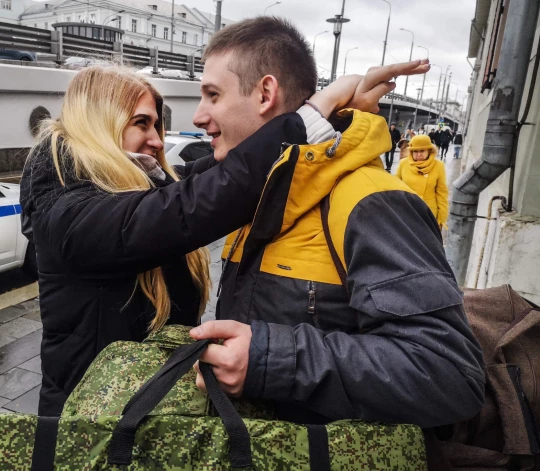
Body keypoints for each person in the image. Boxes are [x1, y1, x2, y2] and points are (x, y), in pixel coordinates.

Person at [19, 65, 379, 415]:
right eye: (141, 123)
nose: (157, 139)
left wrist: (337, 117)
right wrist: (312, 112)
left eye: (157, 124)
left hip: (141, 408)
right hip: (91, 424)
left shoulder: (139, 188)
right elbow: (198, 201)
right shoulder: (66, 211)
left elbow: (216, 173)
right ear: (98, 124)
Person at [189, 16, 485, 429]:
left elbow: (448, 373)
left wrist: (267, 360)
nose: (198, 117)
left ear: (265, 93)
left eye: (212, 95)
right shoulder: (265, 190)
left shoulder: (371, 201)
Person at [396, 135, 449, 230]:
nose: (419, 154)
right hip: (406, 211)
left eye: (422, 151)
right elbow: (395, 188)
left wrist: (441, 218)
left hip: (428, 213)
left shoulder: (438, 166)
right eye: (415, 151)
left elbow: (442, 193)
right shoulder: (403, 164)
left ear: (429, 150)